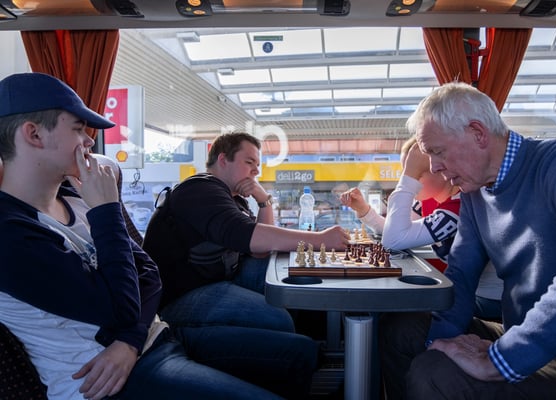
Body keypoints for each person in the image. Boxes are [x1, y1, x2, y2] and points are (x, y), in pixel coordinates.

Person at [0, 72, 287, 400]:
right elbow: (118, 309)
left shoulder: (76, 196)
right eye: (78, 129)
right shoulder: (11, 234)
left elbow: (149, 273)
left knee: (298, 357)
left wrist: (130, 340)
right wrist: (106, 211)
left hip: (150, 341)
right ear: (34, 134)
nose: (90, 141)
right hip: (104, 383)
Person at [379, 81, 556, 399]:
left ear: (478, 133)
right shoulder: (475, 194)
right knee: (402, 329)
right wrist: (441, 343)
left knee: (435, 375)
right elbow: (461, 274)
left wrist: (502, 359)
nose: (434, 167)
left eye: (438, 152)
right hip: (517, 336)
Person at [142, 131, 349, 398]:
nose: (256, 171)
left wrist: (263, 200)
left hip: (215, 280)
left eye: (257, 165)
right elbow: (249, 236)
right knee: (277, 319)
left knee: (290, 280)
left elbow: (261, 250)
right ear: (223, 159)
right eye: (249, 162)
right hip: (179, 298)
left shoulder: (232, 198)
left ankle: (319, 357)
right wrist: (320, 240)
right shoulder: (199, 189)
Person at [340, 137, 502, 321]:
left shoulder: (458, 207)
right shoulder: (428, 200)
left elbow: (394, 240)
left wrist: (406, 184)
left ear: (441, 170)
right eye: (406, 172)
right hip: (464, 292)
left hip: (487, 302)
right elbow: (394, 231)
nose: (410, 180)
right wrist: (364, 210)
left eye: (416, 173)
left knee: (393, 313)